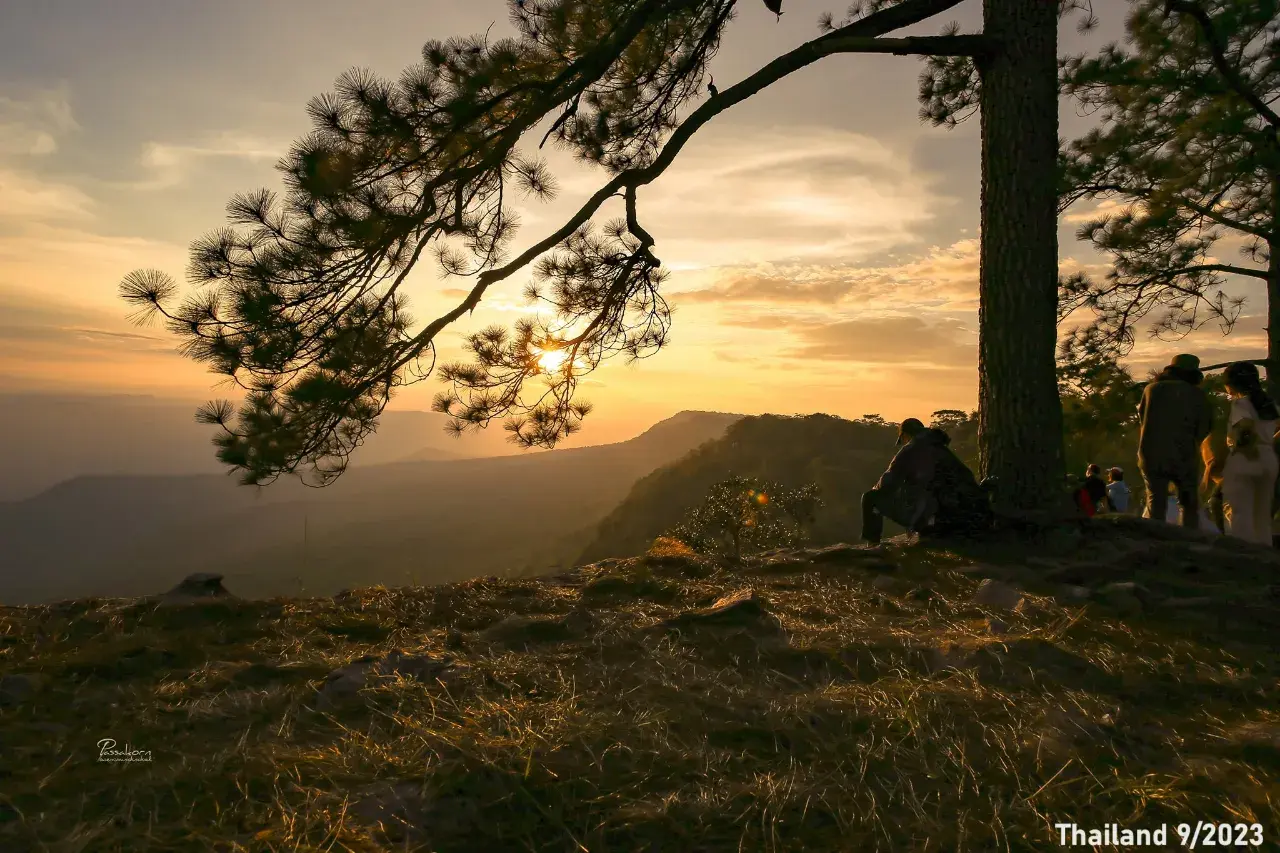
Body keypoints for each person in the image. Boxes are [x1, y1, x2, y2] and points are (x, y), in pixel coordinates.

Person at [861, 418, 992, 545]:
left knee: (870, 498)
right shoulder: (943, 450)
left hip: (936, 520)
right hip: (964, 518)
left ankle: (873, 544)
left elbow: (887, 484)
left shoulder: (910, 450)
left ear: (906, 435)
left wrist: (877, 490)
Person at [1137, 354, 1214, 529]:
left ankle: (1155, 540)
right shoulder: (1195, 394)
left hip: (1150, 453)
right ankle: (1189, 541)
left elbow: (1142, 418)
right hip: (1183, 454)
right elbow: (1204, 427)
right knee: (1189, 503)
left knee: (1156, 502)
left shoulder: (1151, 389)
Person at [1220, 361, 1279, 546]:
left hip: (1246, 458)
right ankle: (1264, 548)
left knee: (1239, 509)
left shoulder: (1241, 403)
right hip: (1268, 458)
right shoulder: (1270, 405)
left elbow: (1245, 426)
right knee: (1261, 511)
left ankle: (1243, 549)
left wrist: (1246, 448)